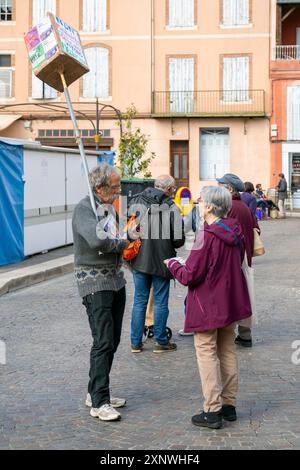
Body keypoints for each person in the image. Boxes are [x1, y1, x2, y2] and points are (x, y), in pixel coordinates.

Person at [165, 186, 252, 429]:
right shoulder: (235, 232)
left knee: (206, 352)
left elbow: (190, 275)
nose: (199, 204)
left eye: (202, 201)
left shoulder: (207, 234)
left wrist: (173, 264)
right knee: (227, 350)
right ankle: (228, 406)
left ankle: (212, 410)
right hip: (230, 301)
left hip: (208, 304)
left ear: (211, 207)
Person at [72, 164, 130, 422]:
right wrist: (123, 242)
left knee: (113, 341)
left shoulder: (107, 210)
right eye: (115, 187)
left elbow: (113, 237)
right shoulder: (85, 209)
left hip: (115, 281)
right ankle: (100, 402)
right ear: (100, 188)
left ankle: (94, 391)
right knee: (103, 341)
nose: (119, 191)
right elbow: (98, 241)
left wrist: (121, 241)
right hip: (95, 285)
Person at [129, 175, 185, 353]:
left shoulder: (136, 201)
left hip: (139, 260)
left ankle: (135, 343)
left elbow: (129, 230)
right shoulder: (172, 208)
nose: (173, 192)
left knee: (139, 301)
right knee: (160, 302)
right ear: (168, 189)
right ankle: (161, 341)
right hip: (162, 261)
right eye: (173, 189)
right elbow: (178, 240)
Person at [217, 173, 259, 348]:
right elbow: (257, 229)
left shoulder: (229, 207)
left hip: (232, 259)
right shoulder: (244, 207)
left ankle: (227, 334)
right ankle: (245, 334)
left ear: (229, 189)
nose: (217, 188)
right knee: (245, 294)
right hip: (245, 257)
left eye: (220, 185)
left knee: (231, 296)